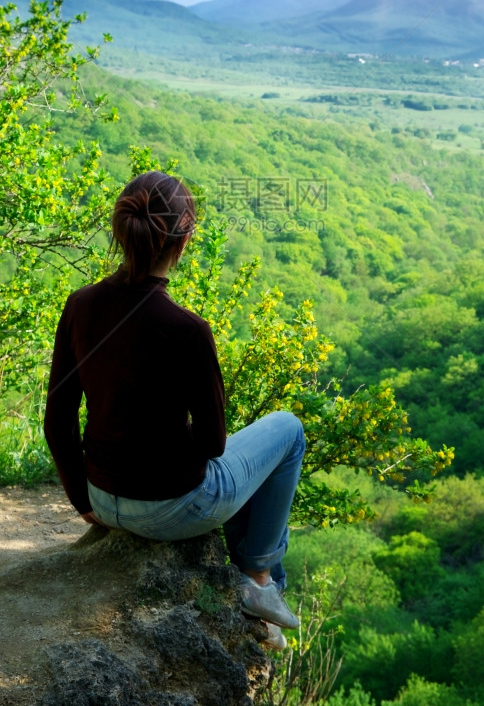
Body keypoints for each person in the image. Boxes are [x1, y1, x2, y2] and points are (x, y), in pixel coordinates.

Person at [44, 170, 305, 649]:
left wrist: (85, 502)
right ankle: (259, 579)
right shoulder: (188, 329)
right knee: (287, 430)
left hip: (102, 499)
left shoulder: (80, 305)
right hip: (174, 510)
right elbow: (211, 445)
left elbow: (57, 418)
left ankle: (261, 582)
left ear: (123, 231)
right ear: (183, 241)